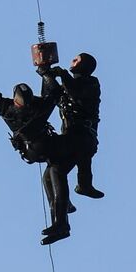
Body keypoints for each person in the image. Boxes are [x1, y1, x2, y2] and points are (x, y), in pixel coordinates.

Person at [0, 47, 73, 245]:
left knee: (49, 177)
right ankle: (61, 218)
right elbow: (53, 93)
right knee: (56, 172)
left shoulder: (7, 108)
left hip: (34, 151)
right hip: (47, 146)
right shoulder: (37, 107)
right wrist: (45, 70)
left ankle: (60, 218)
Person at [46, 52, 103, 199]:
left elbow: (76, 92)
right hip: (70, 134)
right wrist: (47, 76)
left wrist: (63, 74)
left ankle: (84, 186)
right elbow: (55, 95)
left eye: (77, 60)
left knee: (81, 158)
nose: (72, 61)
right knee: (53, 172)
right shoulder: (68, 87)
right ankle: (62, 202)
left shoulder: (91, 83)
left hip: (83, 134)